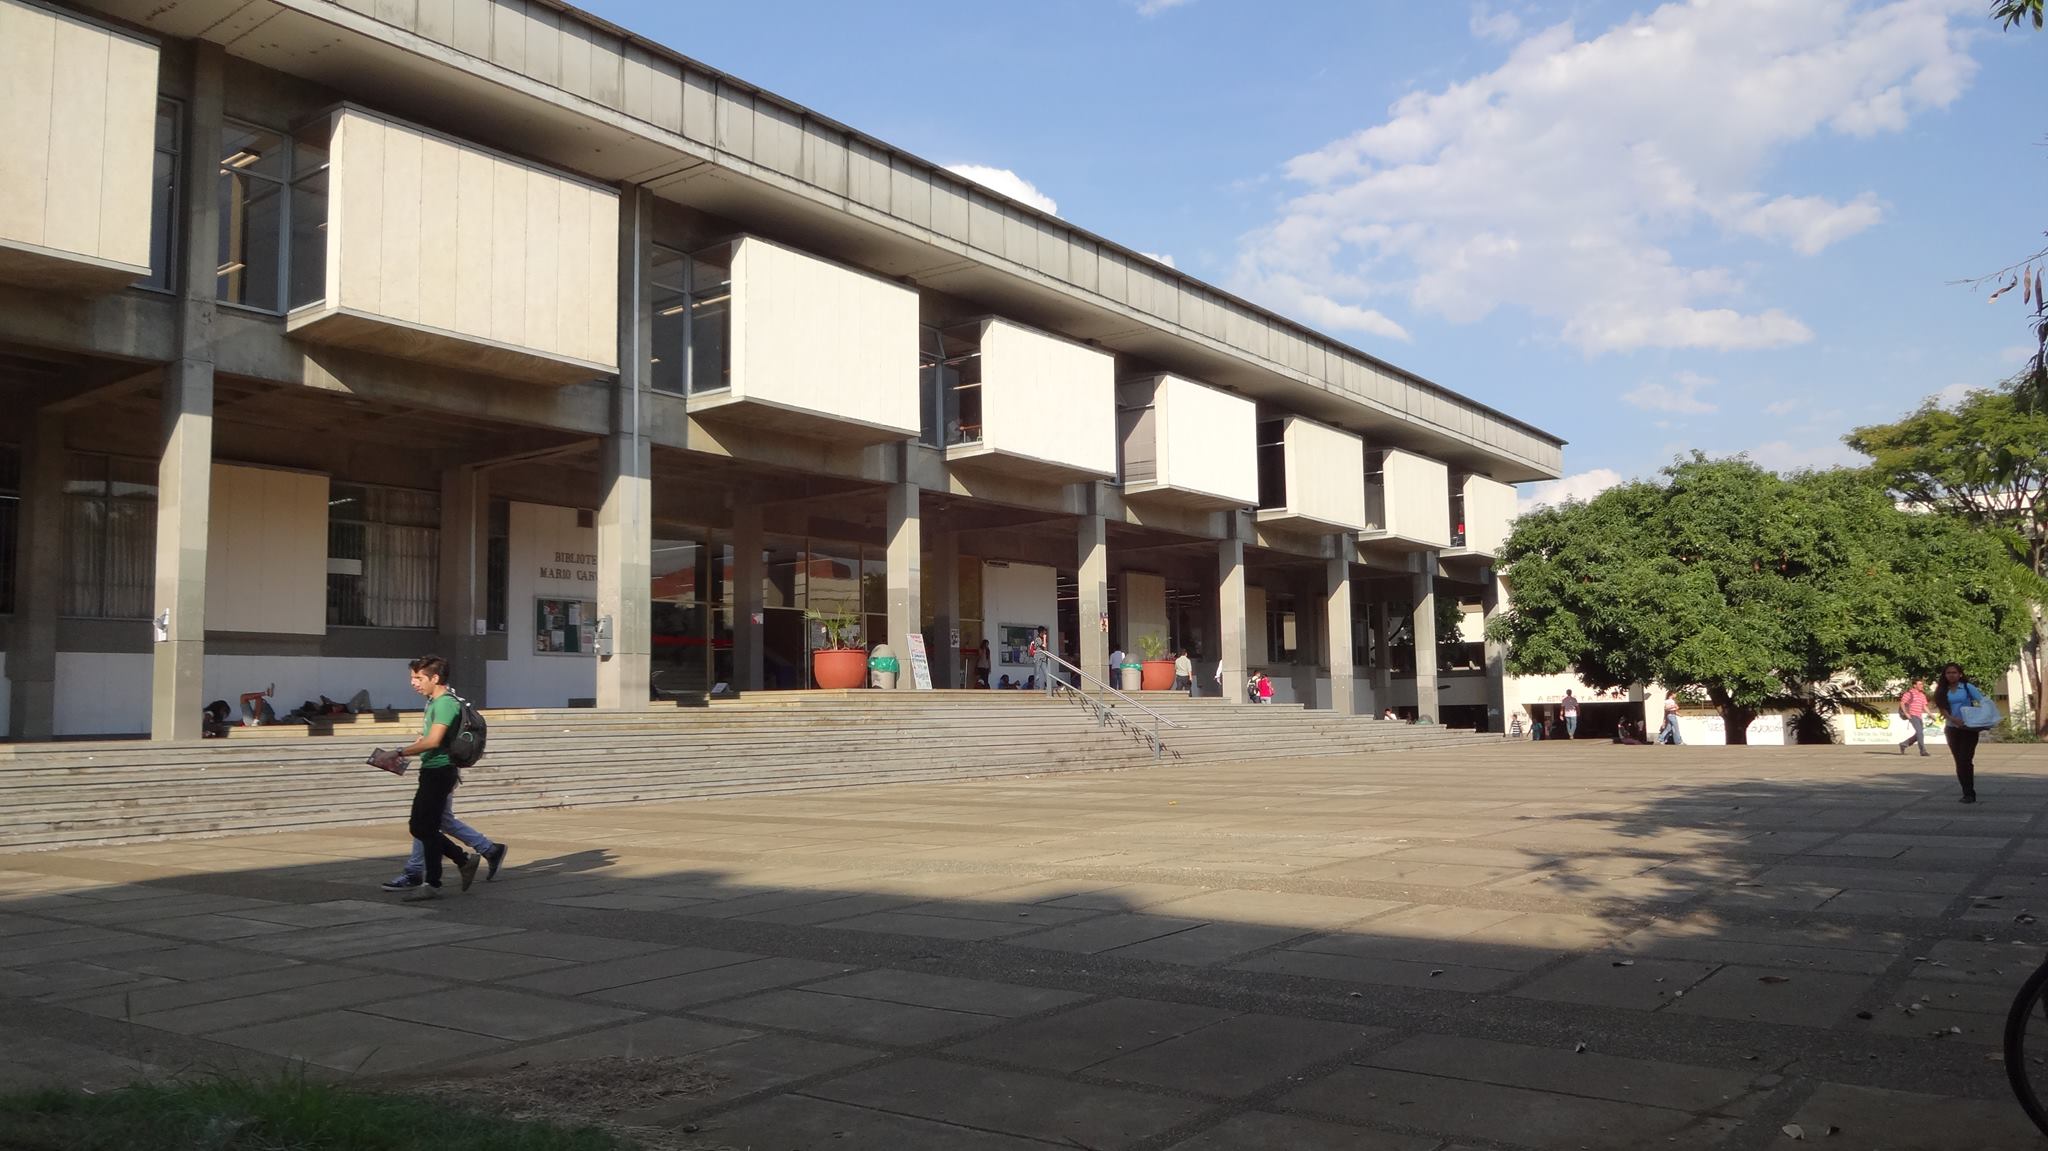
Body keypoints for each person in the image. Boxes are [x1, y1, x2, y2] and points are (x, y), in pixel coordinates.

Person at [391, 655, 480, 901]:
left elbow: (433, 741)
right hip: (432, 769)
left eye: (418, 678)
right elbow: (429, 740)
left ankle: (439, 878)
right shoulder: (434, 703)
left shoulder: (445, 704)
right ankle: (456, 865)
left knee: (423, 827)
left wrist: (398, 752)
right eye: (412, 677)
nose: (413, 683)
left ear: (435, 678)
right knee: (424, 827)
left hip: (440, 771)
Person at [383, 800, 507, 892]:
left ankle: (416, 872)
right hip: (436, 777)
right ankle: (487, 850)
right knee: (433, 821)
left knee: (424, 823)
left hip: (438, 777)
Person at [1932, 662, 1993, 803]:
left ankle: (1970, 793)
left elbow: (1982, 701)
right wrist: (1952, 719)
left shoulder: (1967, 687)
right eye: (1948, 673)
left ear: (1960, 674)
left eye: (1954, 672)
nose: (1951, 675)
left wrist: (1984, 718)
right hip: (1952, 728)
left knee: (1966, 759)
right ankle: (1966, 792)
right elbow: (1942, 709)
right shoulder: (1942, 690)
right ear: (1944, 675)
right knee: (1959, 761)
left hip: (1968, 728)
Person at [1897, 679, 1930, 757]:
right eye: (1920, 684)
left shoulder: (1922, 695)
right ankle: (1923, 751)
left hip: (1919, 716)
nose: (1922, 686)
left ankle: (1904, 744)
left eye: (1922, 684)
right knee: (1919, 733)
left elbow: (1924, 706)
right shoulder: (1909, 693)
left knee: (1919, 733)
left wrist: (1930, 714)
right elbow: (1902, 703)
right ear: (1915, 685)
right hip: (1912, 715)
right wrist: (1906, 713)